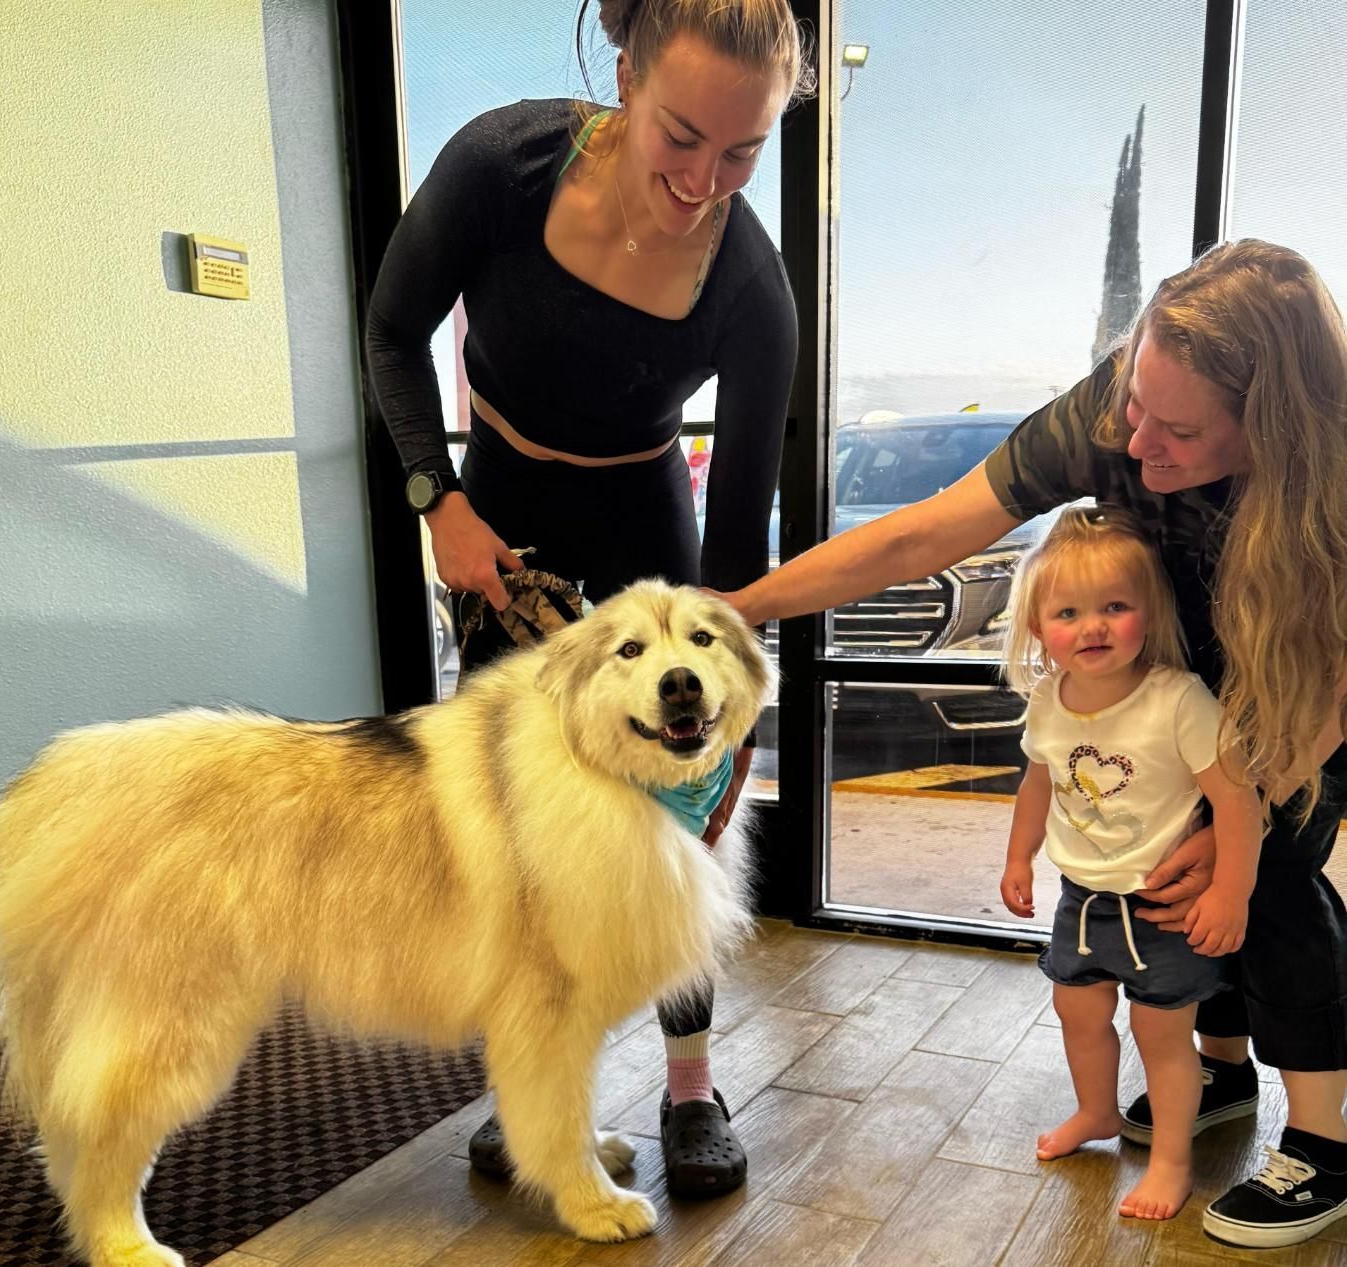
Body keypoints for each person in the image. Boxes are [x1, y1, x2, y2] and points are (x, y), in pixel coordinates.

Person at [724, 239, 1347, 1249]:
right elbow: (921, 534)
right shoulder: (1112, 410)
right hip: (1181, 665)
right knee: (1167, 880)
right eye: (1136, 404)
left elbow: (1337, 683)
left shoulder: (1337, 466)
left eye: (1178, 431)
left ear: (1271, 425)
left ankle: (1324, 1141)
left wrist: (1252, 808)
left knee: (1262, 882)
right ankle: (1222, 1068)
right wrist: (743, 605)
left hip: (1306, 688)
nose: (1135, 443)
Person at [365, 0, 812, 1199]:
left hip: (645, 527)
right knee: (514, 822)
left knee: (676, 808)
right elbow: (393, 331)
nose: (705, 181)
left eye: (743, 152)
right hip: (496, 524)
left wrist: (720, 703)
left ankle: (689, 1086)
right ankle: (532, 1091)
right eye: (682, 136)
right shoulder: (498, 167)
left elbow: (726, 564)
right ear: (623, 73)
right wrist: (440, 504)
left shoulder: (754, 288)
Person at [998, 506, 1261, 1220]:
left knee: (1161, 1035)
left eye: (1115, 606)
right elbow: (1038, 781)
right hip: (1079, 899)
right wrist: (1018, 854)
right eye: (1068, 612)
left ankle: (1172, 1159)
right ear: (1035, 627)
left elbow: (1238, 802)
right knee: (1076, 1010)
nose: (1092, 626)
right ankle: (1096, 1111)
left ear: (1148, 612)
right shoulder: (1050, 699)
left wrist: (1230, 891)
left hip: (1161, 907)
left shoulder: (1177, 698)